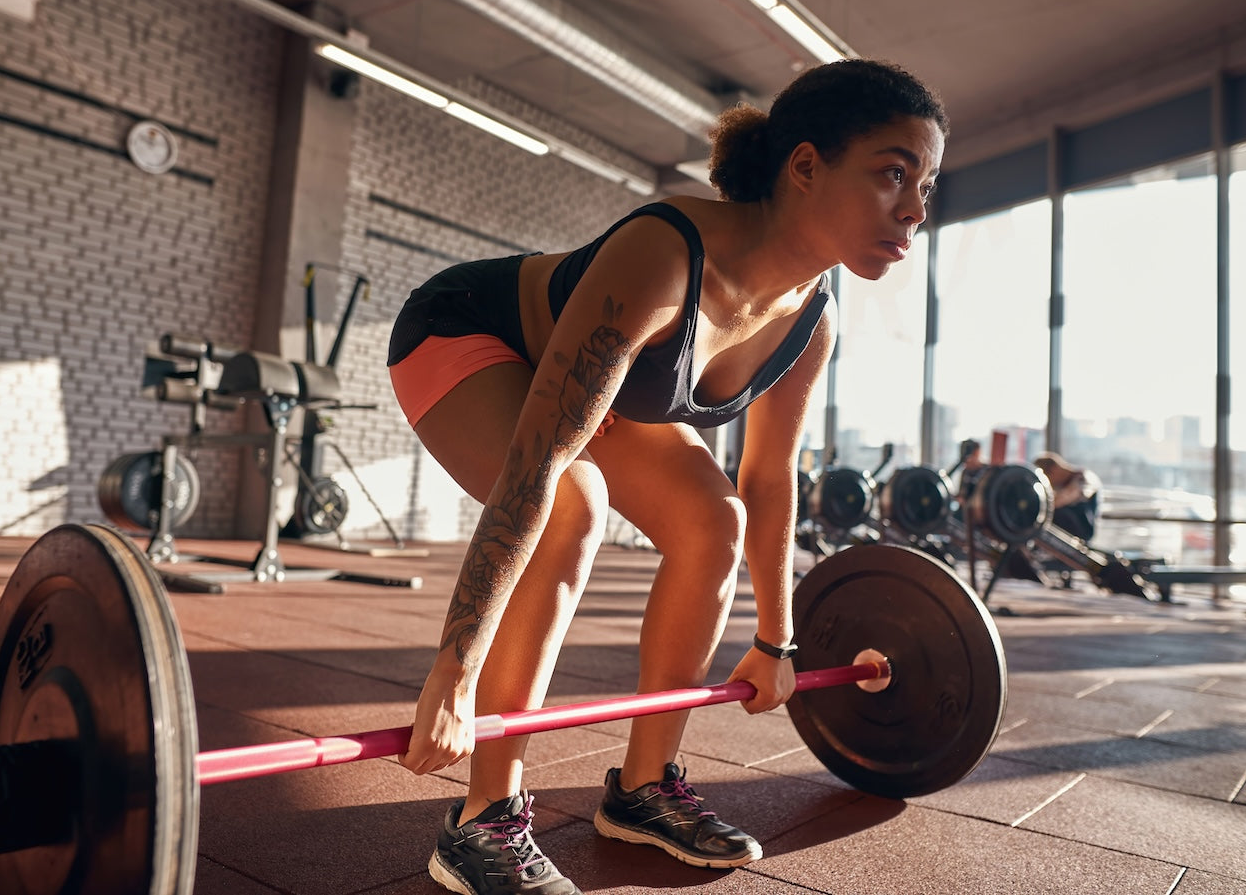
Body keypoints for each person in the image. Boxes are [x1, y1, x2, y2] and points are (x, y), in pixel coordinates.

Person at [385, 58, 948, 894]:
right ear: (804, 167)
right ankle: (484, 817)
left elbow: (765, 481)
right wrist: (455, 667)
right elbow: (536, 466)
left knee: (710, 519)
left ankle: (644, 788)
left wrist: (777, 641)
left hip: (586, 387)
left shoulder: (813, 317)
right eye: (892, 173)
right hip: (463, 331)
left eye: (926, 183)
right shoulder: (665, 252)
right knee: (574, 503)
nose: (913, 208)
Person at [1033, 451, 1102, 544]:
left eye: (1047, 479)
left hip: (1081, 533)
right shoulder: (1062, 486)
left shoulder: (1085, 477)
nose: (1049, 485)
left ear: (1054, 470)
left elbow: (1069, 496)